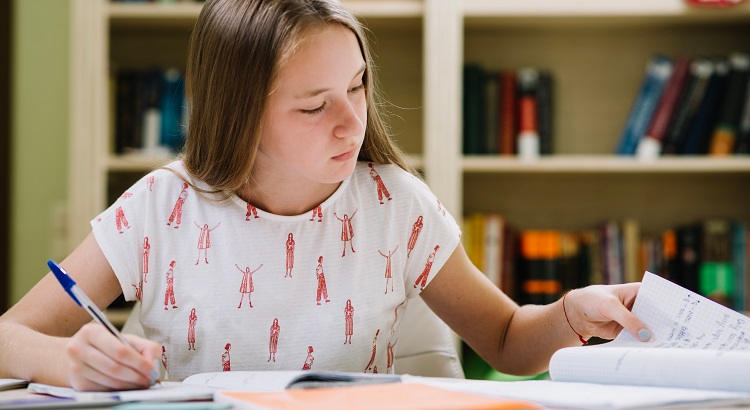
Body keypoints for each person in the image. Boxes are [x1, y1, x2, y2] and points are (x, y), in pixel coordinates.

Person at [0, 0, 651, 391]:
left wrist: (571, 313)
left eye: (358, 86)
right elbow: (9, 337)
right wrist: (68, 359)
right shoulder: (158, 208)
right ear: (239, 114)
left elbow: (507, 339)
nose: (351, 121)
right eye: (314, 106)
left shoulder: (396, 206)